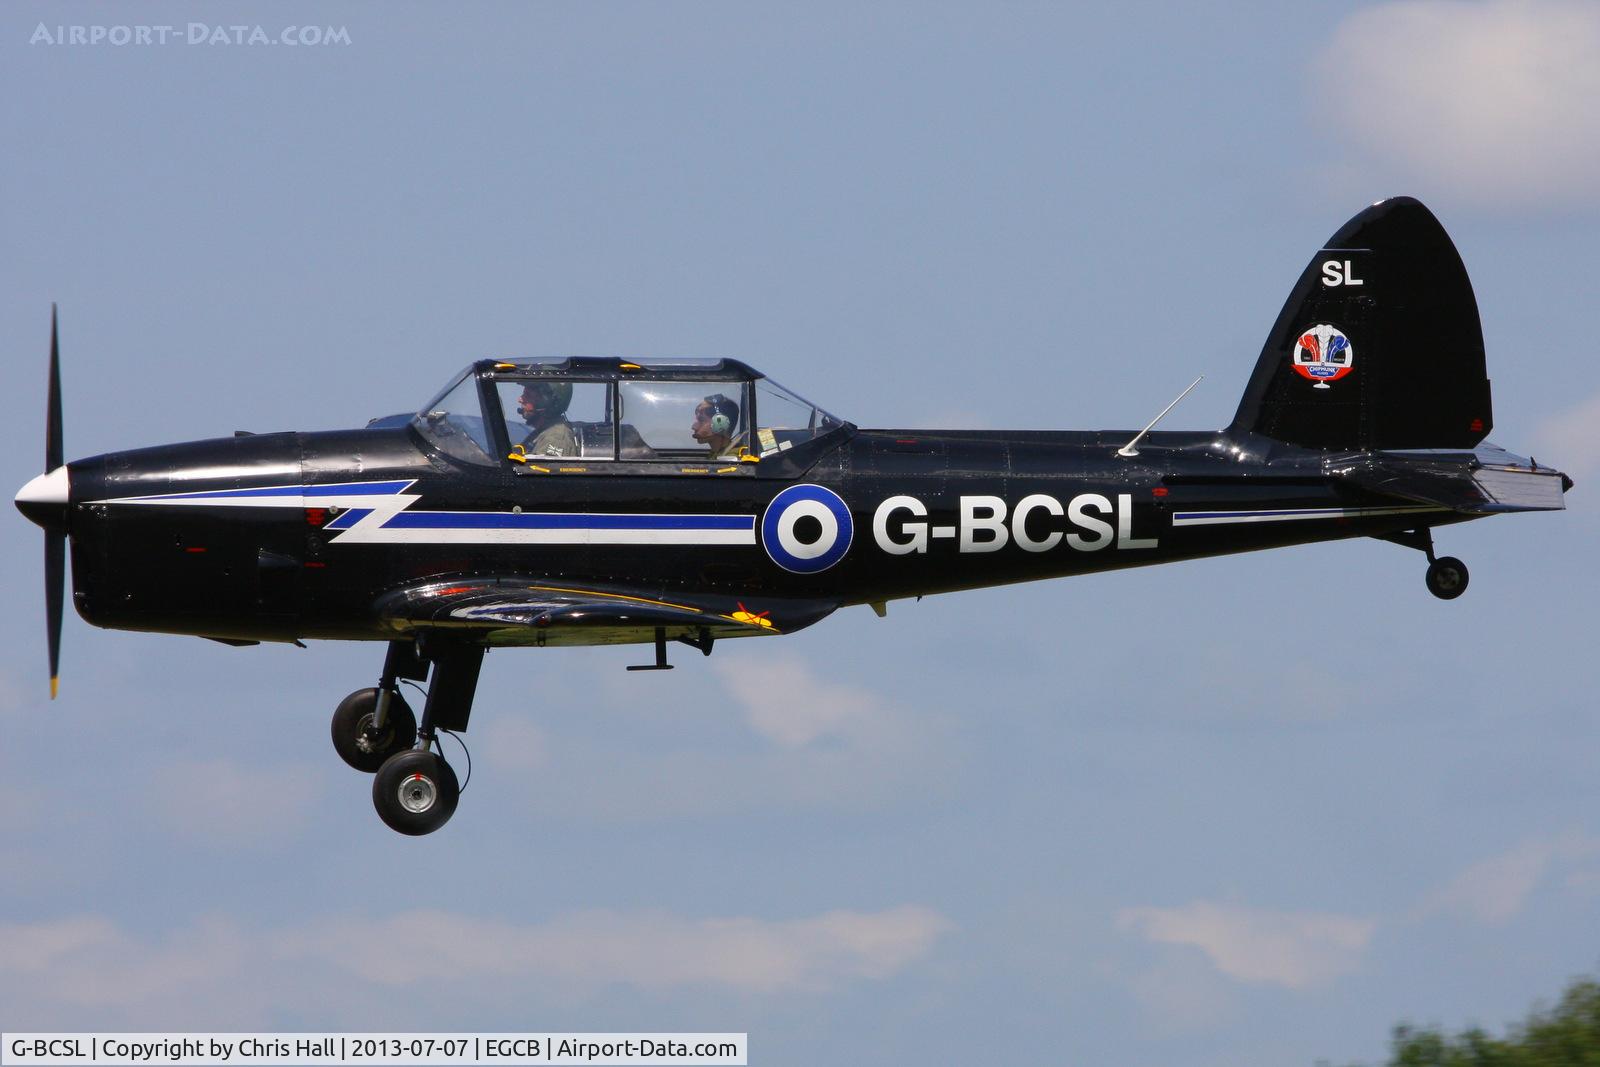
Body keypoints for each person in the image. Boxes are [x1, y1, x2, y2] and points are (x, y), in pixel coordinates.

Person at [516, 381, 576, 457]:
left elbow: (544, 468)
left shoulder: (555, 438)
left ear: (546, 402)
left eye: (528, 395)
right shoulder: (541, 433)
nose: (520, 399)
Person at [691, 393, 740, 457]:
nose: (694, 427)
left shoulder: (732, 459)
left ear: (720, 424)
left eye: (702, 420)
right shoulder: (717, 456)